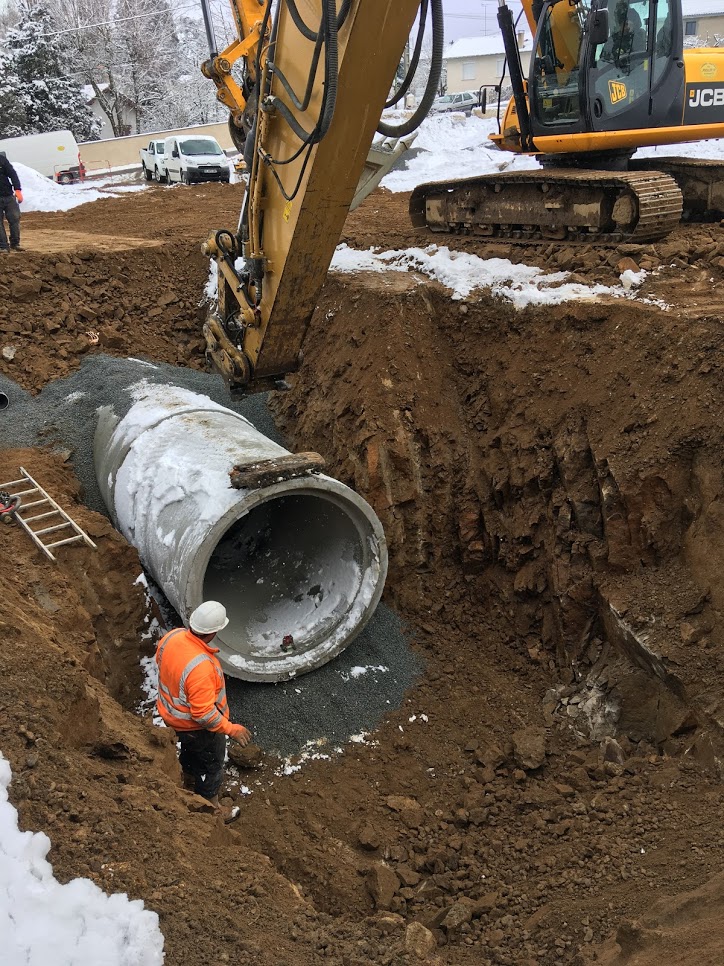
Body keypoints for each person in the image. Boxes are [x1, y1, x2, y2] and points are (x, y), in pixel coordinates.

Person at [155, 600, 252, 808]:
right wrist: (230, 729)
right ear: (213, 632)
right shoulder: (201, 667)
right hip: (197, 728)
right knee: (212, 765)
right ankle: (210, 806)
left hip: (172, 717)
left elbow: (161, 663)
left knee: (191, 752)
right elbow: (204, 715)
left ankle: (188, 779)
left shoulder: (172, 637)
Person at [0, 153, 23, 253]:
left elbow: (12, 173)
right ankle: (3, 246)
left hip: (8, 195)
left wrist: (17, 189)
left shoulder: (1, 159)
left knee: (15, 218)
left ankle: (15, 243)